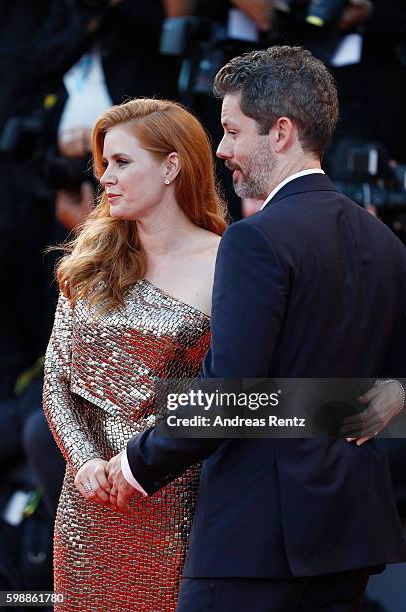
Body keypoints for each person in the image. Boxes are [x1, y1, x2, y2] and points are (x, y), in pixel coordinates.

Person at [108, 46, 406, 611]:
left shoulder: (255, 239)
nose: (222, 150)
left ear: (282, 132)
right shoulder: (385, 244)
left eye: (232, 131)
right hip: (348, 534)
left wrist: (136, 461)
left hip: (254, 538)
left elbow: (231, 390)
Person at [42, 98, 227, 610]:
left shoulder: (229, 261)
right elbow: (57, 379)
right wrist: (84, 462)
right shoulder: (91, 261)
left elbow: (231, 388)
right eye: (104, 164)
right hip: (88, 502)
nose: (105, 177)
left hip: (175, 497)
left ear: (172, 166)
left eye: (122, 162)